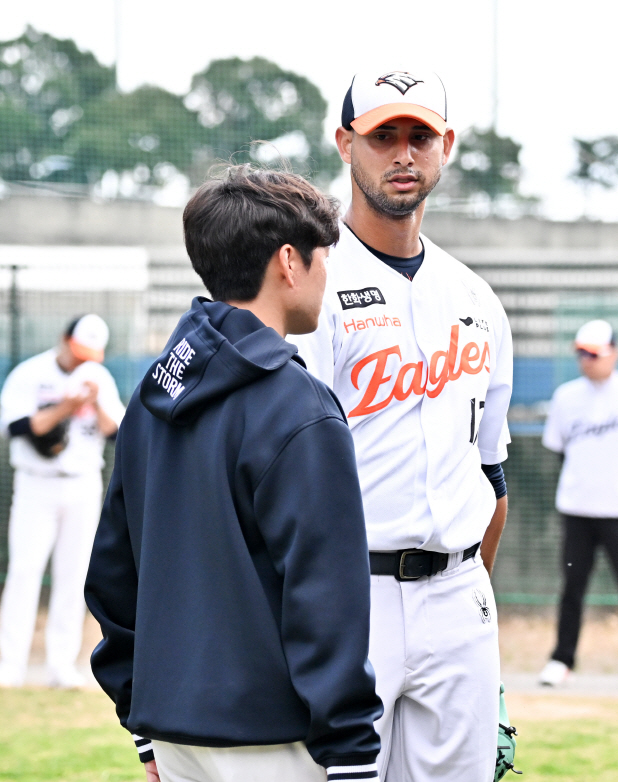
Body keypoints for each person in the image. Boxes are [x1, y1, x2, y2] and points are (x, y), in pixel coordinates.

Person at [85, 166, 383, 782]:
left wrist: (141, 721)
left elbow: (114, 575)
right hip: (272, 740)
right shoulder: (299, 406)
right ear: (289, 262)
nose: (327, 276)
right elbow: (325, 599)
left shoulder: (151, 394)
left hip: (174, 734)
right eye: (324, 257)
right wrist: (351, 751)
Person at [289, 69, 514, 781]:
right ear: (345, 143)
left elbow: (492, 473)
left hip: (458, 595)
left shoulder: (475, 296)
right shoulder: (311, 286)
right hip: (349, 593)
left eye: (420, 136)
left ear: (447, 146)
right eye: (383, 135)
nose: (403, 154)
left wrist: (472, 596)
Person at [538, 320, 618, 690]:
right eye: (581, 353)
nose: (586, 360)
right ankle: (562, 660)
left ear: (614, 353)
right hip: (577, 508)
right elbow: (559, 449)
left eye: (593, 354)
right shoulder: (565, 397)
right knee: (572, 587)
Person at [0, 314, 123, 688]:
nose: (83, 359)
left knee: (74, 576)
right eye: (79, 350)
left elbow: (116, 431)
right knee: (24, 572)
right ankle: (10, 665)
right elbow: (17, 427)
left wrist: (94, 402)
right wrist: (66, 406)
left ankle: (61, 666)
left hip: (82, 484)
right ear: (65, 340)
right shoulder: (30, 372)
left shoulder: (98, 377)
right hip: (36, 483)